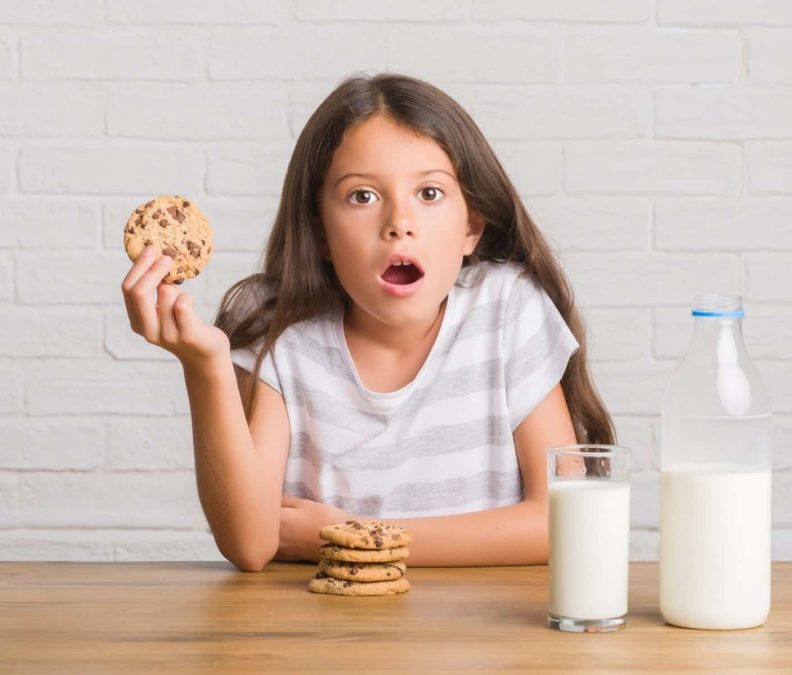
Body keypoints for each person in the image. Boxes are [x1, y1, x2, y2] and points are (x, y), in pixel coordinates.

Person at [120, 72, 614, 572]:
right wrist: (205, 368)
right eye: (362, 196)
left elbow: (563, 522)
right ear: (320, 232)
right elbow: (251, 544)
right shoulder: (278, 328)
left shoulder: (508, 309)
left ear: (472, 226)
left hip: (483, 620)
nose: (399, 223)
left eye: (429, 193)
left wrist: (353, 537)